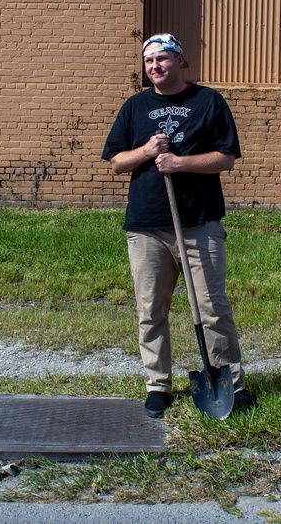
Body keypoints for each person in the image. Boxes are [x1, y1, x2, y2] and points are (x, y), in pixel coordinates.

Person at [101, 33, 256, 418]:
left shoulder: (208, 102)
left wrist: (179, 163)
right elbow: (117, 162)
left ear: (180, 60)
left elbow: (226, 158)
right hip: (147, 225)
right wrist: (148, 152)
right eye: (149, 60)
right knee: (151, 309)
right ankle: (158, 385)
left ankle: (228, 380)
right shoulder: (135, 107)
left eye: (163, 59)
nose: (155, 66)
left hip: (199, 223)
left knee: (212, 308)